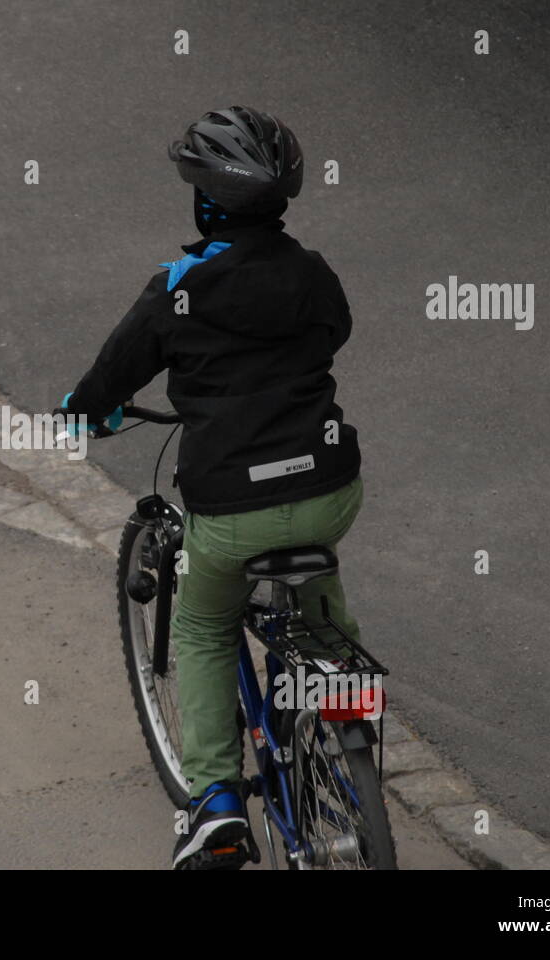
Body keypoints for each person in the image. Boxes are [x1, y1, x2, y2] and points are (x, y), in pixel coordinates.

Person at [60, 106, 364, 870]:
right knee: (317, 576)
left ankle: (217, 805)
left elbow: (114, 375)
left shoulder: (176, 289)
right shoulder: (312, 273)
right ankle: (345, 702)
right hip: (330, 486)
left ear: (204, 200)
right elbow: (333, 332)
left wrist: (79, 415)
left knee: (201, 627)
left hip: (231, 506)